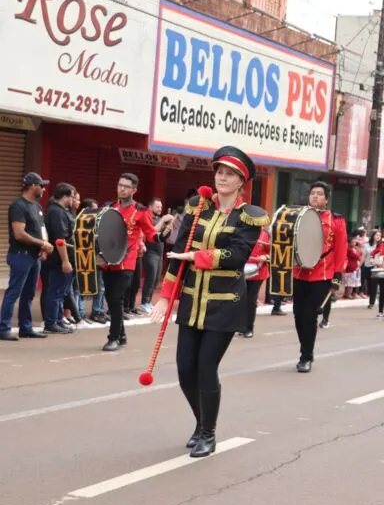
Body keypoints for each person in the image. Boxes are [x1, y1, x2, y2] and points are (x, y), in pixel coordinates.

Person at [150, 145, 267, 457]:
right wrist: (166, 298)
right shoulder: (197, 207)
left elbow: (236, 257)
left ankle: (208, 434)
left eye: (230, 174)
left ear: (242, 181)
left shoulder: (249, 217)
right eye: (219, 172)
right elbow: (177, 257)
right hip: (191, 301)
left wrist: (196, 256)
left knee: (205, 367)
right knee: (185, 369)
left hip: (224, 304)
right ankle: (201, 422)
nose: (222, 177)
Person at [292, 182, 347, 373]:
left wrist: (337, 275)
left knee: (309, 315)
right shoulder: (299, 216)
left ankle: (306, 356)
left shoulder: (336, 220)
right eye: (312, 193)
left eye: (319, 194)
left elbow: (341, 249)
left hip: (322, 274)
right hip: (300, 272)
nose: (315, 196)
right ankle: (305, 349)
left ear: (326, 199)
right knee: (298, 314)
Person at [100, 173, 159, 351]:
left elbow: (151, 234)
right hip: (108, 260)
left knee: (117, 299)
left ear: (134, 190)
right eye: (120, 185)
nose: (122, 189)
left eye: (126, 186)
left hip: (127, 262)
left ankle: (113, 338)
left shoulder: (141, 211)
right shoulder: (110, 207)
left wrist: (162, 233)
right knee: (110, 299)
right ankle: (122, 335)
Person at [0, 173, 52, 341]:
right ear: (32, 186)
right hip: (21, 255)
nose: (44, 189)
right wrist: (42, 244)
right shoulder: (18, 206)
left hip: (34, 256)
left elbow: (41, 229)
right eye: (41, 185)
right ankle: (3, 328)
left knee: (29, 293)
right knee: (14, 292)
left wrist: (43, 247)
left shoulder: (36, 207)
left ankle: (26, 327)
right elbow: (19, 234)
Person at [42, 182, 77, 334]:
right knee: (55, 291)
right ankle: (51, 323)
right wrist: (65, 261)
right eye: (71, 196)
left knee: (60, 292)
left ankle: (57, 320)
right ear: (64, 196)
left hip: (63, 258)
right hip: (58, 260)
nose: (73, 200)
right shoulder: (57, 212)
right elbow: (60, 239)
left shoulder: (60, 211)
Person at [241, 228, 271, 338]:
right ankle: (242, 326)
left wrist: (265, 257)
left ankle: (249, 328)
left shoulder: (265, 234)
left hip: (258, 271)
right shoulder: (242, 230)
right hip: (241, 269)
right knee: (240, 300)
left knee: (250, 300)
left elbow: (272, 253)